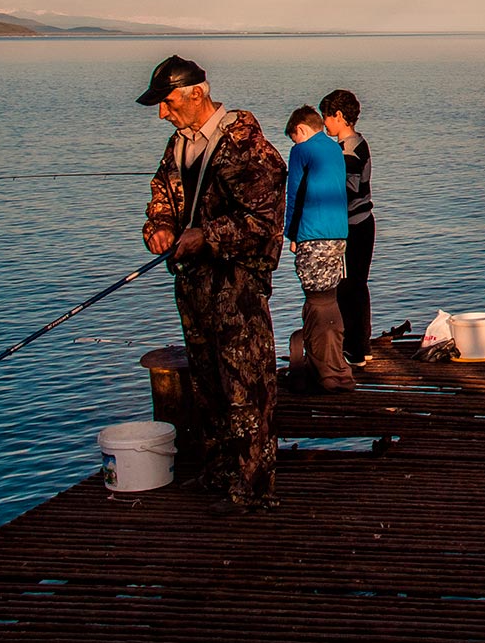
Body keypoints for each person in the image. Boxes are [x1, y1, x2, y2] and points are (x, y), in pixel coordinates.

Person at [138, 55, 286, 515]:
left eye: (166, 102)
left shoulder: (246, 145)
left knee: (247, 386)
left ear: (196, 93)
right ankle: (221, 471)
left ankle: (253, 488)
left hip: (236, 285)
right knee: (207, 384)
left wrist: (206, 234)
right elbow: (160, 198)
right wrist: (159, 229)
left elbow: (264, 222)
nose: (162, 113)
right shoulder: (178, 145)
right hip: (193, 285)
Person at [284, 105, 354, 393]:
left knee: (316, 300)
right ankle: (338, 369)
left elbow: (294, 194)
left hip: (312, 234)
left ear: (301, 129)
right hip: (339, 234)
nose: (294, 143)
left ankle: (326, 371)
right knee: (329, 298)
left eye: (294, 137)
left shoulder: (301, 151)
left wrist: (290, 233)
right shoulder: (336, 149)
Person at [319, 89, 374, 368]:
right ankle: (359, 345)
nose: (324, 123)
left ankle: (353, 346)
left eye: (326, 117)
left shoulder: (348, 150)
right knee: (356, 285)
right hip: (362, 223)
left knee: (348, 286)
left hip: (353, 225)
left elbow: (349, 188)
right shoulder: (358, 143)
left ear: (339, 116)